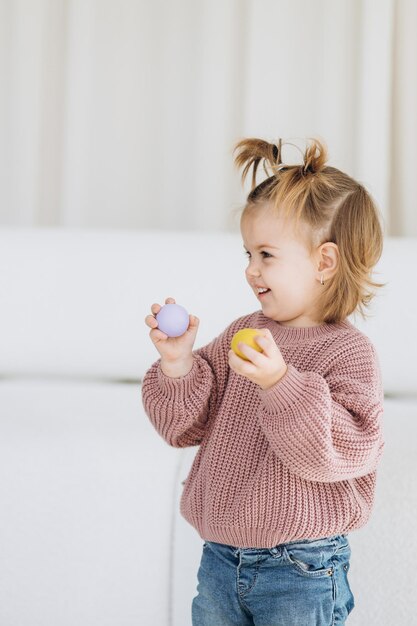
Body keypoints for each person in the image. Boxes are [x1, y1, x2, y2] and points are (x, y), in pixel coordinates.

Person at [141, 137, 385, 625]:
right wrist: (179, 365)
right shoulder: (244, 331)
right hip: (221, 559)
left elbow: (340, 450)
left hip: (302, 568)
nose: (251, 270)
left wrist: (281, 382)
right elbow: (184, 426)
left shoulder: (349, 354)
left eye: (266, 255)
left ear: (324, 262)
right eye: (247, 253)